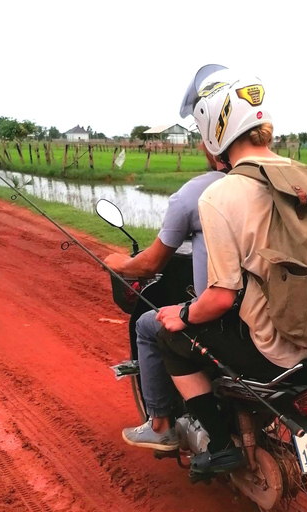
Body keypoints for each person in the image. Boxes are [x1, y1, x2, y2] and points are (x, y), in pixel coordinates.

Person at [154, 66, 307, 474]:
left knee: (169, 339)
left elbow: (219, 297)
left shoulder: (221, 194)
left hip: (273, 350)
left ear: (215, 132)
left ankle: (219, 444)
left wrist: (181, 314)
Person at [104, 131, 226, 452]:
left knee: (149, 326)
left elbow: (151, 263)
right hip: (272, 314)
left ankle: (160, 425)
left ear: (214, 146)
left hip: (224, 317)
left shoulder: (195, 193)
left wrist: (119, 262)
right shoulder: (272, 184)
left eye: (203, 139)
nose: (200, 145)